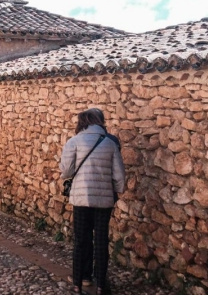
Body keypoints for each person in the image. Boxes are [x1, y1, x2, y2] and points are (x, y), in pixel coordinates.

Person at [60, 108, 125, 295]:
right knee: (101, 241)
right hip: (104, 200)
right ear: (100, 121)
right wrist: (117, 191)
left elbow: (66, 171)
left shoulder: (74, 142)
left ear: (82, 122)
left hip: (81, 199)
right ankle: (101, 285)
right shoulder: (110, 143)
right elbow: (119, 175)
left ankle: (79, 282)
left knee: (81, 240)